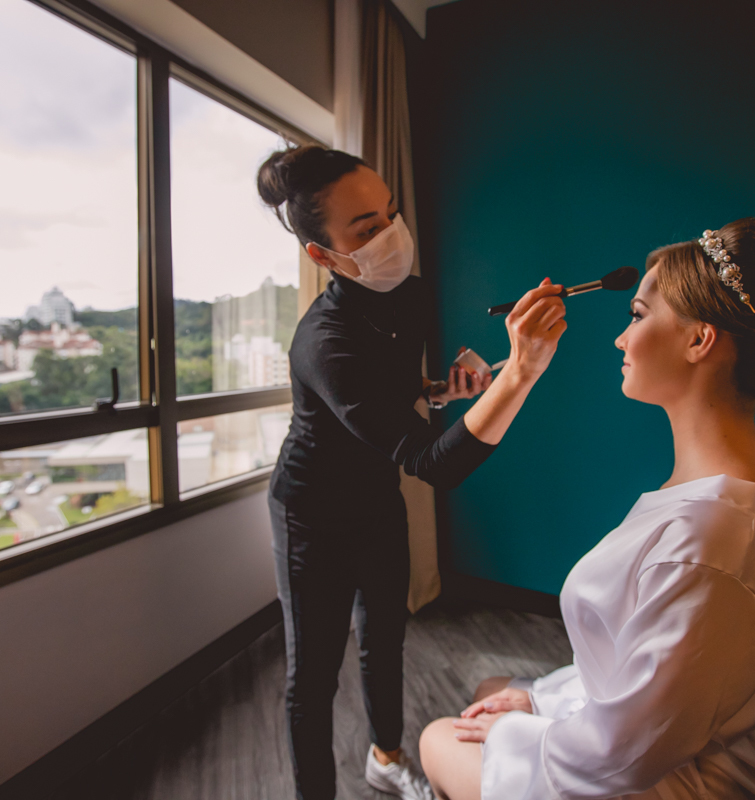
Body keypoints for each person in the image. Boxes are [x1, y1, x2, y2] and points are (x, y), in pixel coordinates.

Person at [418, 208, 755, 800]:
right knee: (493, 691)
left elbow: (618, 757)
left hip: (665, 777)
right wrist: (538, 705)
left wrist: (516, 733)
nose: (621, 338)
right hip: (668, 729)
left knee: (438, 738)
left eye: (637, 314)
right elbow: (653, 670)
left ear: (700, 340)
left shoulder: (705, 546)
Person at [258, 143, 570, 800]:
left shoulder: (412, 296)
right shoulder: (323, 342)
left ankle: (386, 757)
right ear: (321, 254)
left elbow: (396, 398)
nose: (391, 235)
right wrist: (518, 373)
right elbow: (432, 462)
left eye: (391, 214)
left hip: (376, 495)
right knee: (312, 677)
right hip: (311, 514)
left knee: (385, 639)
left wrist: (439, 390)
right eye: (366, 229)